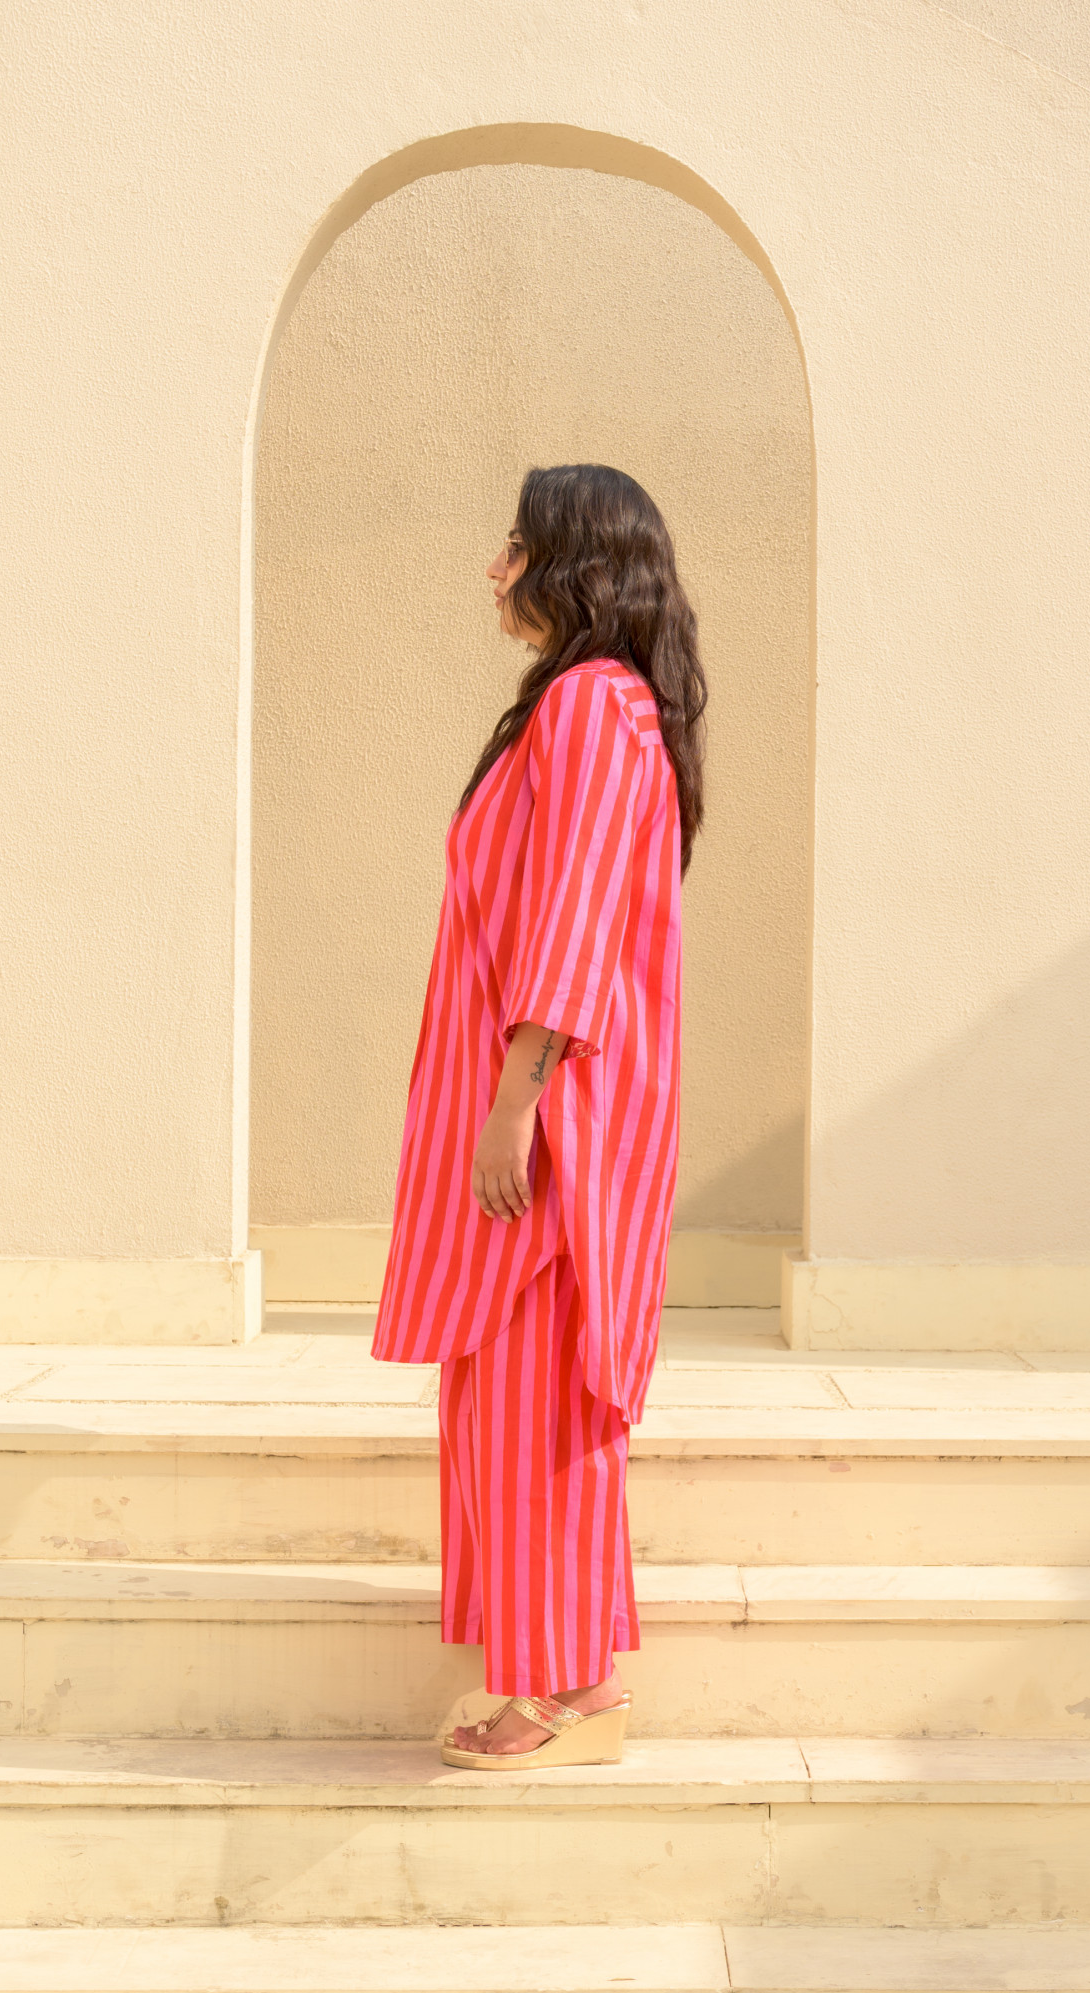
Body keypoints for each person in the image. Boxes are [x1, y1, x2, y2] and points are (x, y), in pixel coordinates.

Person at [370, 462, 707, 1769]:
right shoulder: (587, 708)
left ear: (575, 563)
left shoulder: (590, 707)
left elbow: (572, 922)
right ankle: (554, 1669)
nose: (495, 568)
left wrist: (516, 1103)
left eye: (514, 545)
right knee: (503, 1392)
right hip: (542, 1099)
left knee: (536, 1396)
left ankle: (571, 1690)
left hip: (556, 1117)